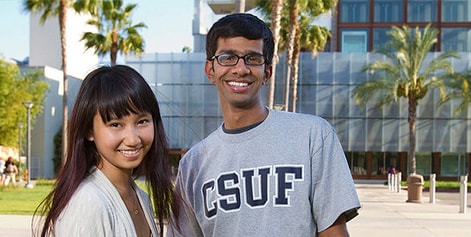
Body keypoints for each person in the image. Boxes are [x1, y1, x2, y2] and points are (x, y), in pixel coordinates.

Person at [167, 13, 361, 237]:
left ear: (267, 72)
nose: (240, 69)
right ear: (210, 70)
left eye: (253, 58)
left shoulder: (313, 136)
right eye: (228, 57)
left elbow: (334, 232)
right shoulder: (193, 164)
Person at [33, 65, 180, 237]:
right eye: (116, 124)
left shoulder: (141, 197)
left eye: (142, 121)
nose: (133, 139)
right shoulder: (88, 203)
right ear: (89, 131)